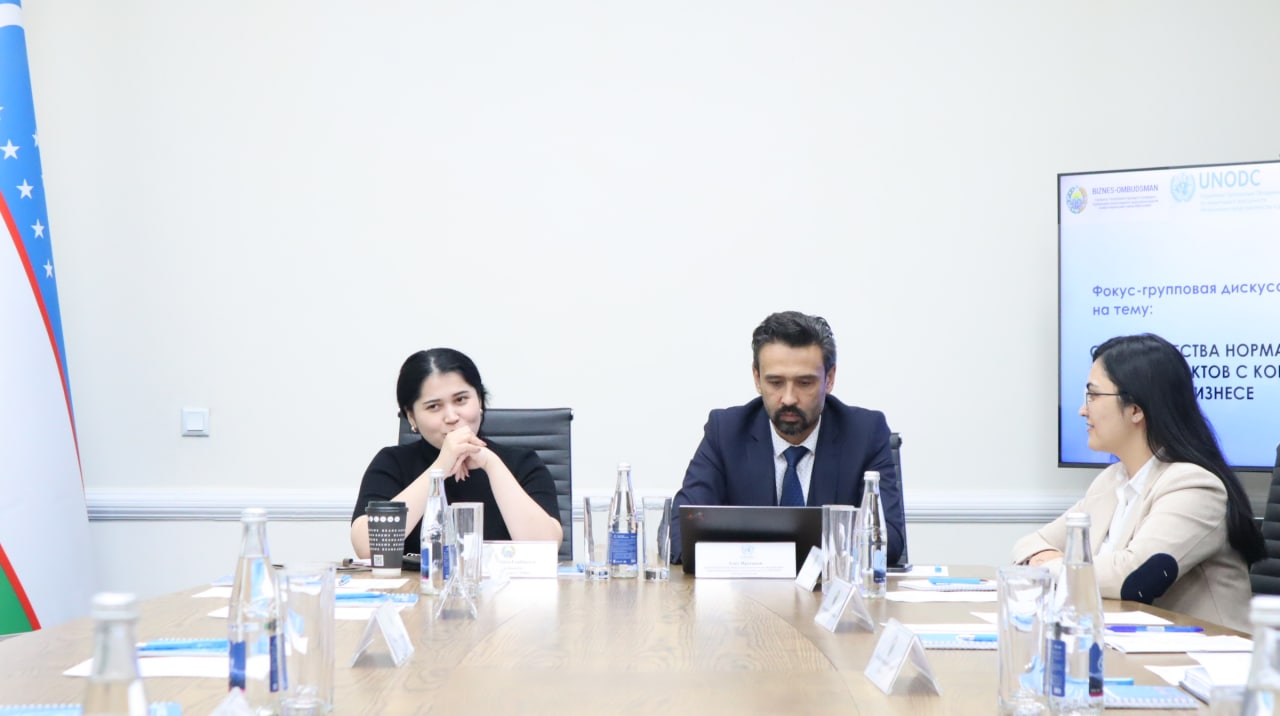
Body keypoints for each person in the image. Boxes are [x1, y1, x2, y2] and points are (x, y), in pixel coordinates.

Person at [1013, 334, 1264, 632]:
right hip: (1131, 646)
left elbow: (1132, 577)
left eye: (1093, 396)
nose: (1083, 410)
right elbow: (1029, 545)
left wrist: (1049, 567)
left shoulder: (1194, 486)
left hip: (1204, 655)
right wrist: (1056, 564)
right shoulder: (1112, 480)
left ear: (1136, 409)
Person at [670, 311, 905, 565]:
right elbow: (681, 535)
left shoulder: (865, 434)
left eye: (804, 383)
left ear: (829, 379)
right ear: (757, 378)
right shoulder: (726, 431)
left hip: (830, 590)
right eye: (776, 383)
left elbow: (888, 541)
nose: (789, 398)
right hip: (749, 590)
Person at [349, 348, 562, 559]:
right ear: (411, 416)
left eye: (461, 400)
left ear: (480, 400)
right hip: (420, 582)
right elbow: (366, 547)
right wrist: (439, 468)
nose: (451, 417)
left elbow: (545, 550)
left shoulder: (523, 463)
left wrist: (491, 464)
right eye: (434, 406)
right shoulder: (392, 463)